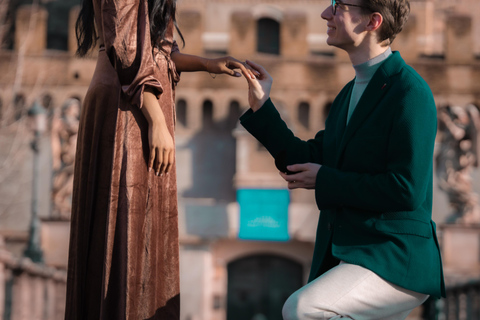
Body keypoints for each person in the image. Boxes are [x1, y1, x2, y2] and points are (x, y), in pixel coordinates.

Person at [239, 0, 445, 319]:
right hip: (357, 253)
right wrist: (261, 105)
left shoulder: (410, 92)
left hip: (393, 255)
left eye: (339, 6)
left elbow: (407, 190)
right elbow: (303, 160)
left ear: (372, 22)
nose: (325, 14)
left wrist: (325, 180)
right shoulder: (349, 93)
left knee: (303, 308)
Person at [64, 0, 253, 319]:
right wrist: (157, 122)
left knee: (148, 226)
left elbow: (162, 51)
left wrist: (211, 64)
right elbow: (125, 53)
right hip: (126, 109)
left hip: (147, 105)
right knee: (124, 218)